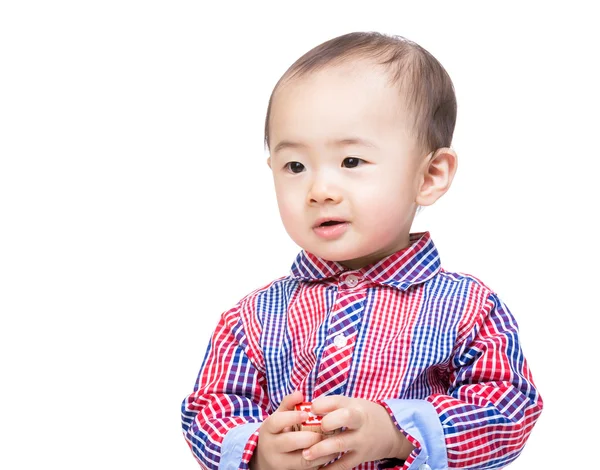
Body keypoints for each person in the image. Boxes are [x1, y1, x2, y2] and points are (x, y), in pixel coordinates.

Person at [181, 31, 543, 470]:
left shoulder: (467, 309)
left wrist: (397, 433)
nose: (319, 190)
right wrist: (258, 451)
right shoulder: (253, 317)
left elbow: (509, 411)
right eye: (295, 166)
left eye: (351, 162)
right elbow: (209, 408)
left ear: (429, 175)